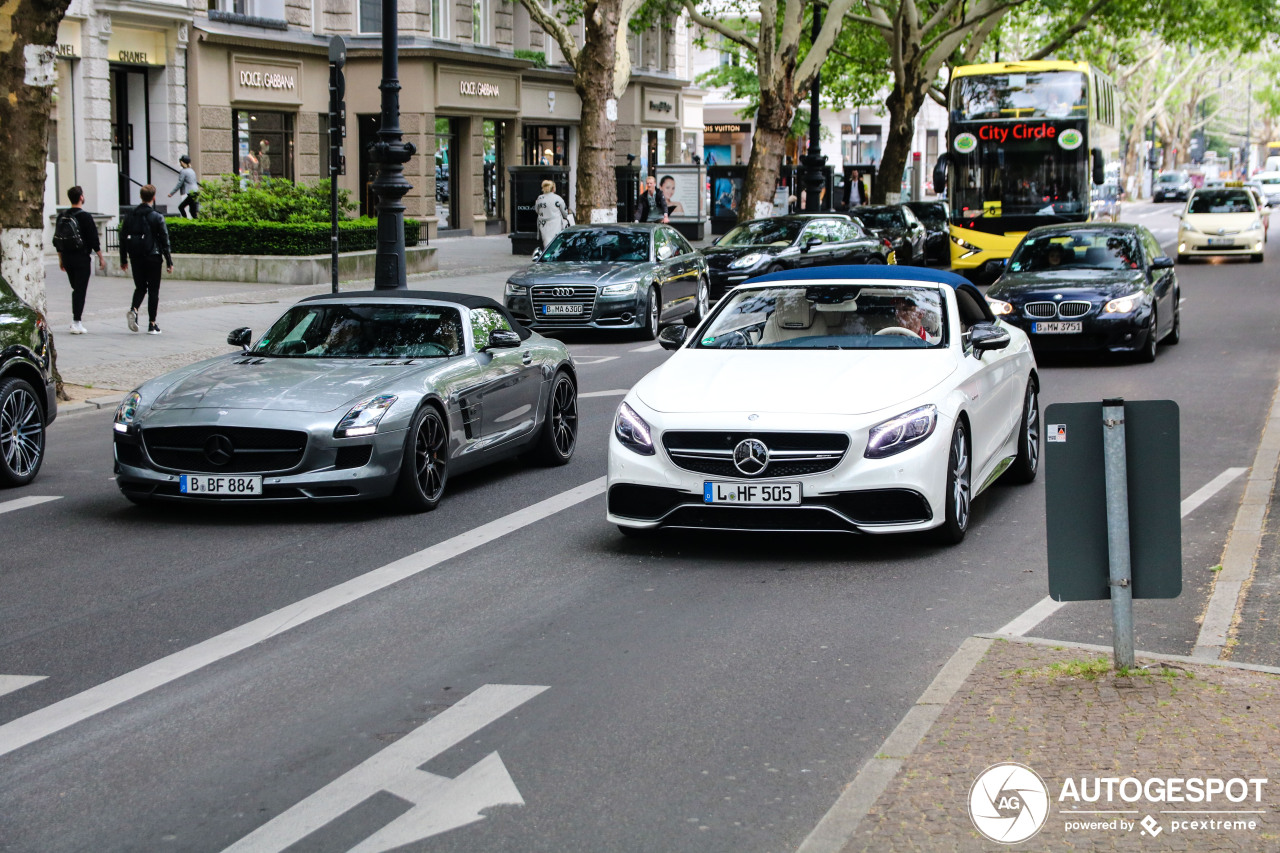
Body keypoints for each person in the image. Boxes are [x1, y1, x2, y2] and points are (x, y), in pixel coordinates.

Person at [119, 184, 173, 335]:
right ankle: (152, 324)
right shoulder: (156, 216)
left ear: (141, 197)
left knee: (140, 287)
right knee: (153, 290)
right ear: (153, 198)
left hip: (136, 256)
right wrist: (169, 261)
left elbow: (123, 238)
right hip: (153, 256)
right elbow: (164, 239)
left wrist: (123, 259)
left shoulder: (130, 216)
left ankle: (134, 310)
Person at [56, 186, 105, 334]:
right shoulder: (85, 217)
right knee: (80, 290)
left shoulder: (62, 216)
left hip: (67, 257)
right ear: (81, 197)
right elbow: (93, 240)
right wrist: (101, 257)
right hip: (82, 257)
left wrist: (60, 259)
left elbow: (57, 240)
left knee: (75, 288)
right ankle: (76, 321)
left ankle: (76, 319)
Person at [534, 179, 573, 250]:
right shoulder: (557, 198)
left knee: (546, 242)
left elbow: (537, 210)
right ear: (553, 188)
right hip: (555, 224)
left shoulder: (539, 198)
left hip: (543, 224)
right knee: (555, 242)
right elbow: (565, 213)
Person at [167, 154, 200, 219]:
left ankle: (185, 221)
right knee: (193, 212)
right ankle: (190, 224)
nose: (180, 163)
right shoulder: (191, 170)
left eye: (180, 162)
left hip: (191, 193)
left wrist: (171, 193)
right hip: (196, 192)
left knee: (181, 207)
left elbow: (179, 183)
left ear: (182, 162)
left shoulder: (183, 171)